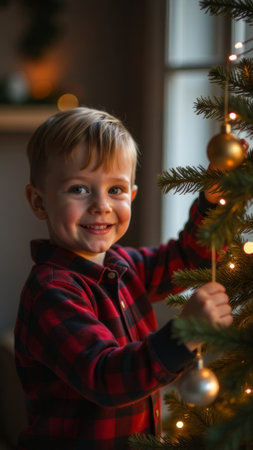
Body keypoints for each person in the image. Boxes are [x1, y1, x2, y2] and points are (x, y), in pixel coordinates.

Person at [15, 106, 234, 450]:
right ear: (39, 202)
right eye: (78, 189)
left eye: (115, 190)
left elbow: (186, 258)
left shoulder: (123, 263)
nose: (101, 205)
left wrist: (211, 201)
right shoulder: (50, 291)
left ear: (131, 195)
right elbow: (105, 377)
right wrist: (182, 335)